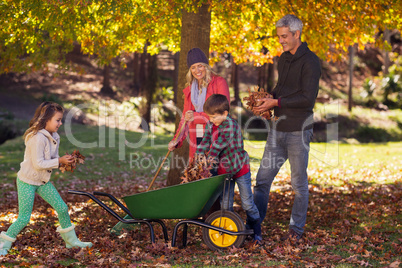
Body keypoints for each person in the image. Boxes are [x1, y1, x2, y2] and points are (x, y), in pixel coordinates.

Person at [252, 14, 321, 241]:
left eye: (284, 36)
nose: (280, 40)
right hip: (277, 130)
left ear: (296, 34)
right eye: (279, 36)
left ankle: (296, 230)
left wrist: (276, 102)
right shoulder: (283, 59)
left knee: (298, 185)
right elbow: (281, 88)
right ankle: (254, 227)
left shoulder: (311, 61)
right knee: (262, 180)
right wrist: (267, 101)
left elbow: (307, 99)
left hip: (298, 131)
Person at [0, 102, 92, 256]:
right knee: (23, 218)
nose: (60, 123)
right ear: (46, 119)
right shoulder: (37, 138)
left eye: (61, 120)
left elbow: (53, 158)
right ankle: (4, 242)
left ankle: (71, 240)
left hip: (42, 182)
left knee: (62, 208)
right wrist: (59, 161)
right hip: (27, 182)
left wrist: (65, 161)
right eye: (58, 120)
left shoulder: (54, 136)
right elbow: (39, 163)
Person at [195, 94, 262, 243]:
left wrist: (209, 158)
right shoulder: (211, 125)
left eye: (213, 117)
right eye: (209, 117)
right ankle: (230, 233)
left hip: (239, 169)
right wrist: (199, 156)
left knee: (247, 203)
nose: (211, 120)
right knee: (225, 205)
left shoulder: (230, 125)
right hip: (224, 172)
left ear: (225, 114)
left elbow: (218, 145)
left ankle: (256, 231)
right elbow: (205, 141)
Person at [168, 47, 230, 160]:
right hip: (197, 136)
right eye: (193, 67)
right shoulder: (190, 89)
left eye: (200, 66)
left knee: (214, 173)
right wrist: (176, 140)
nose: (197, 70)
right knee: (199, 172)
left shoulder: (219, 82)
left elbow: (222, 113)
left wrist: (196, 116)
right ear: (190, 70)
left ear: (206, 66)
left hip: (216, 136)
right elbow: (185, 118)